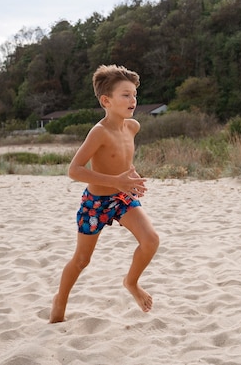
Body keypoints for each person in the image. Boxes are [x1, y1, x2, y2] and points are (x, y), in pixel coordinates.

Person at [50, 64, 159, 323]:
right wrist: (115, 181)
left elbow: (121, 161)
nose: (133, 100)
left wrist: (128, 179)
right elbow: (74, 170)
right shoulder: (99, 132)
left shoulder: (133, 127)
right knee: (81, 260)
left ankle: (131, 282)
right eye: (125, 95)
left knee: (151, 240)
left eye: (134, 94)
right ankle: (60, 300)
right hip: (96, 203)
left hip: (122, 197)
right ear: (106, 101)